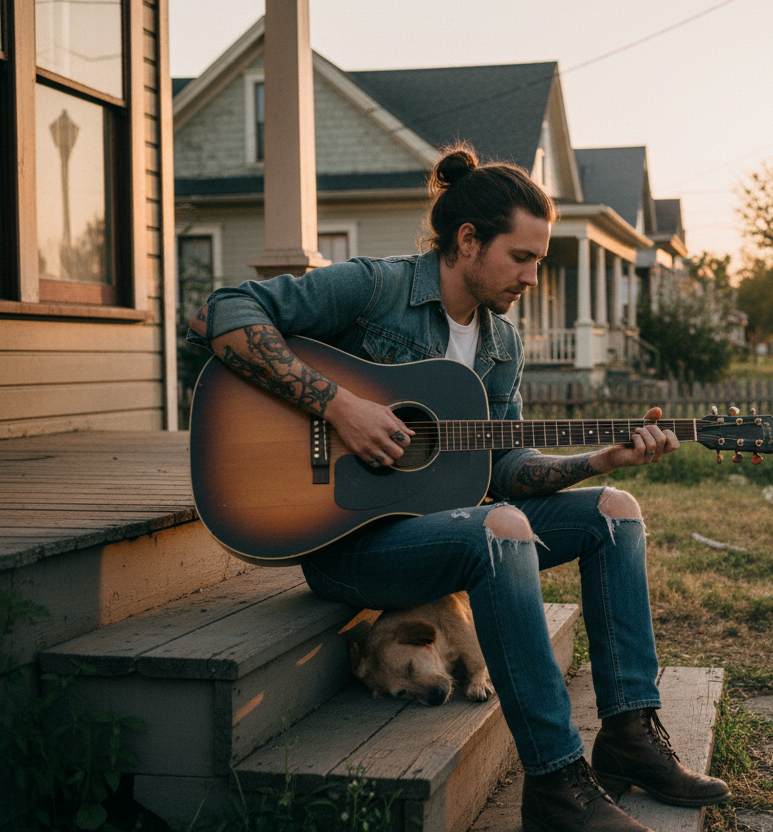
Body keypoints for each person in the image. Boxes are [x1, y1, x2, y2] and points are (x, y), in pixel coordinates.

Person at [186, 142, 730, 831]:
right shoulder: (375, 287)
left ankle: (630, 736)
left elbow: (504, 469)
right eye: (522, 257)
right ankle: (557, 782)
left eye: (539, 258)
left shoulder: (502, 345)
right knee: (498, 530)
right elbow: (223, 312)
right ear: (467, 241)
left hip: (435, 538)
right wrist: (339, 406)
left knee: (615, 513)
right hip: (343, 544)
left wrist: (600, 462)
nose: (533, 275)